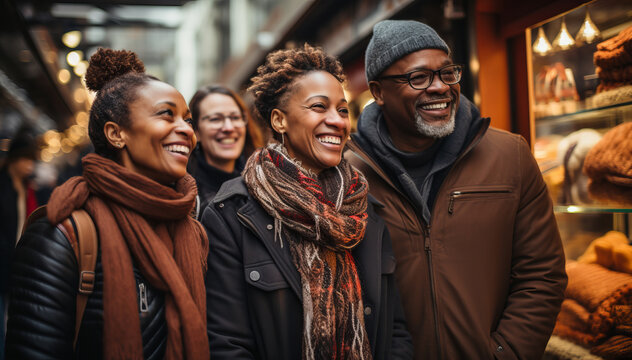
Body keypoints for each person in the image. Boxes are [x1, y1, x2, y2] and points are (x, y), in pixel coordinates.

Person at [344, 20, 568, 359]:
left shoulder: (510, 156)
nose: (439, 87)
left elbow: (542, 275)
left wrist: (505, 353)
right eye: (418, 78)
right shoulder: (348, 176)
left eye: (448, 73)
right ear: (378, 92)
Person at [202, 44, 413, 359]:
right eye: (319, 107)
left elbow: (395, 331)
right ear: (279, 121)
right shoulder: (232, 213)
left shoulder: (363, 207)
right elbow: (226, 344)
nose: (338, 121)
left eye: (342, 109)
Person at [5, 48, 209, 359]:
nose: (186, 130)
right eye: (166, 114)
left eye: (188, 119)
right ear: (116, 134)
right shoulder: (61, 236)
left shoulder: (193, 230)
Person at [187, 85, 264, 219]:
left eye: (235, 117)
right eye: (215, 119)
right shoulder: (186, 195)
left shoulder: (264, 182)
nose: (228, 127)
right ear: (196, 131)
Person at [0, 129, 38, 360]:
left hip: (17, 263)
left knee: (10, 319)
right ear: (14, 158)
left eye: (32, 160)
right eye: (25, 159)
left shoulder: (26, 188)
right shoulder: (3, 187)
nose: (29, 166)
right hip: (3, 261)